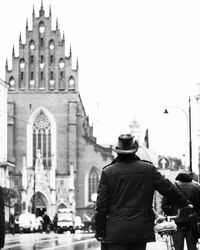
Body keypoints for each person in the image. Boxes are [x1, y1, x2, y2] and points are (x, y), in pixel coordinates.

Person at [94, 134, 191, 250]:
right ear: (135, 150)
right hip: (139, 230)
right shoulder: (148, 169)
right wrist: (185, 204)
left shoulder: (108, 172)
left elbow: (101, 206)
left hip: (116, 231)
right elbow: (168, 188)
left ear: (118, 151)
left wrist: (100, 231)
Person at [162, 171, 200, 250]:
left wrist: (170, 214)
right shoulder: (197, 186)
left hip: (177, 221)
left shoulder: (172, 186)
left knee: (178, 247)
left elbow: (164, 206)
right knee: (192, 246)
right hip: (192, 221)